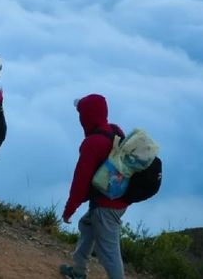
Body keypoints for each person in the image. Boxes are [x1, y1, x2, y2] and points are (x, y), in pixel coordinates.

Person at [60, 94, 129, 279]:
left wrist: (69, 210)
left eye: (81, 114)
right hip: (119, 199)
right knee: (87, 225)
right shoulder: (115, 130)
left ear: (86, 117)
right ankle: (78, 271)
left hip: (106, 207)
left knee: (109, 253)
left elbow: (80, 183)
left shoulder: (92, 143)